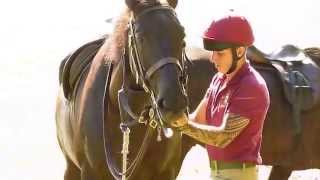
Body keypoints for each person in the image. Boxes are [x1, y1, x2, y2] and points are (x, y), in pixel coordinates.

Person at [172, 15, 270, 179]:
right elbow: (196, 120)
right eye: (212, 52)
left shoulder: (251, 87)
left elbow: (222, 138)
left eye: (220, 53)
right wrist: (167, 119)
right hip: (216, 173)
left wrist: (182, 126)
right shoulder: (218, 79)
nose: (212, 58)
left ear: (239, 51)